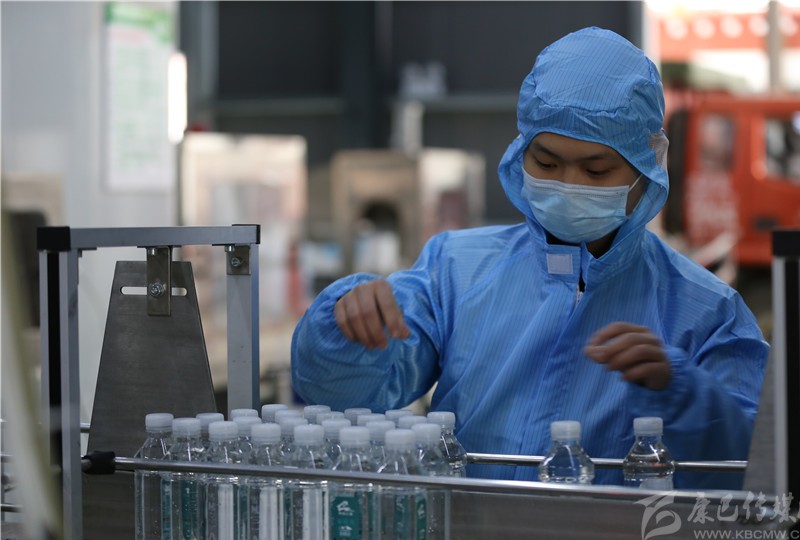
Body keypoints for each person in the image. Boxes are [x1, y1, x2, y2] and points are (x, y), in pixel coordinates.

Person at [291, 27, 768, 489]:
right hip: (465, 534)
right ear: (521, 151)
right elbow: (341, 393)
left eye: (596, 170)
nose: (567, 184)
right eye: (547, 162)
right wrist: (346, 330)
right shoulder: (456, 269)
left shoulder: (706, 312)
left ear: (648, 165)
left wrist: (683, 393)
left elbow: (757, 466)